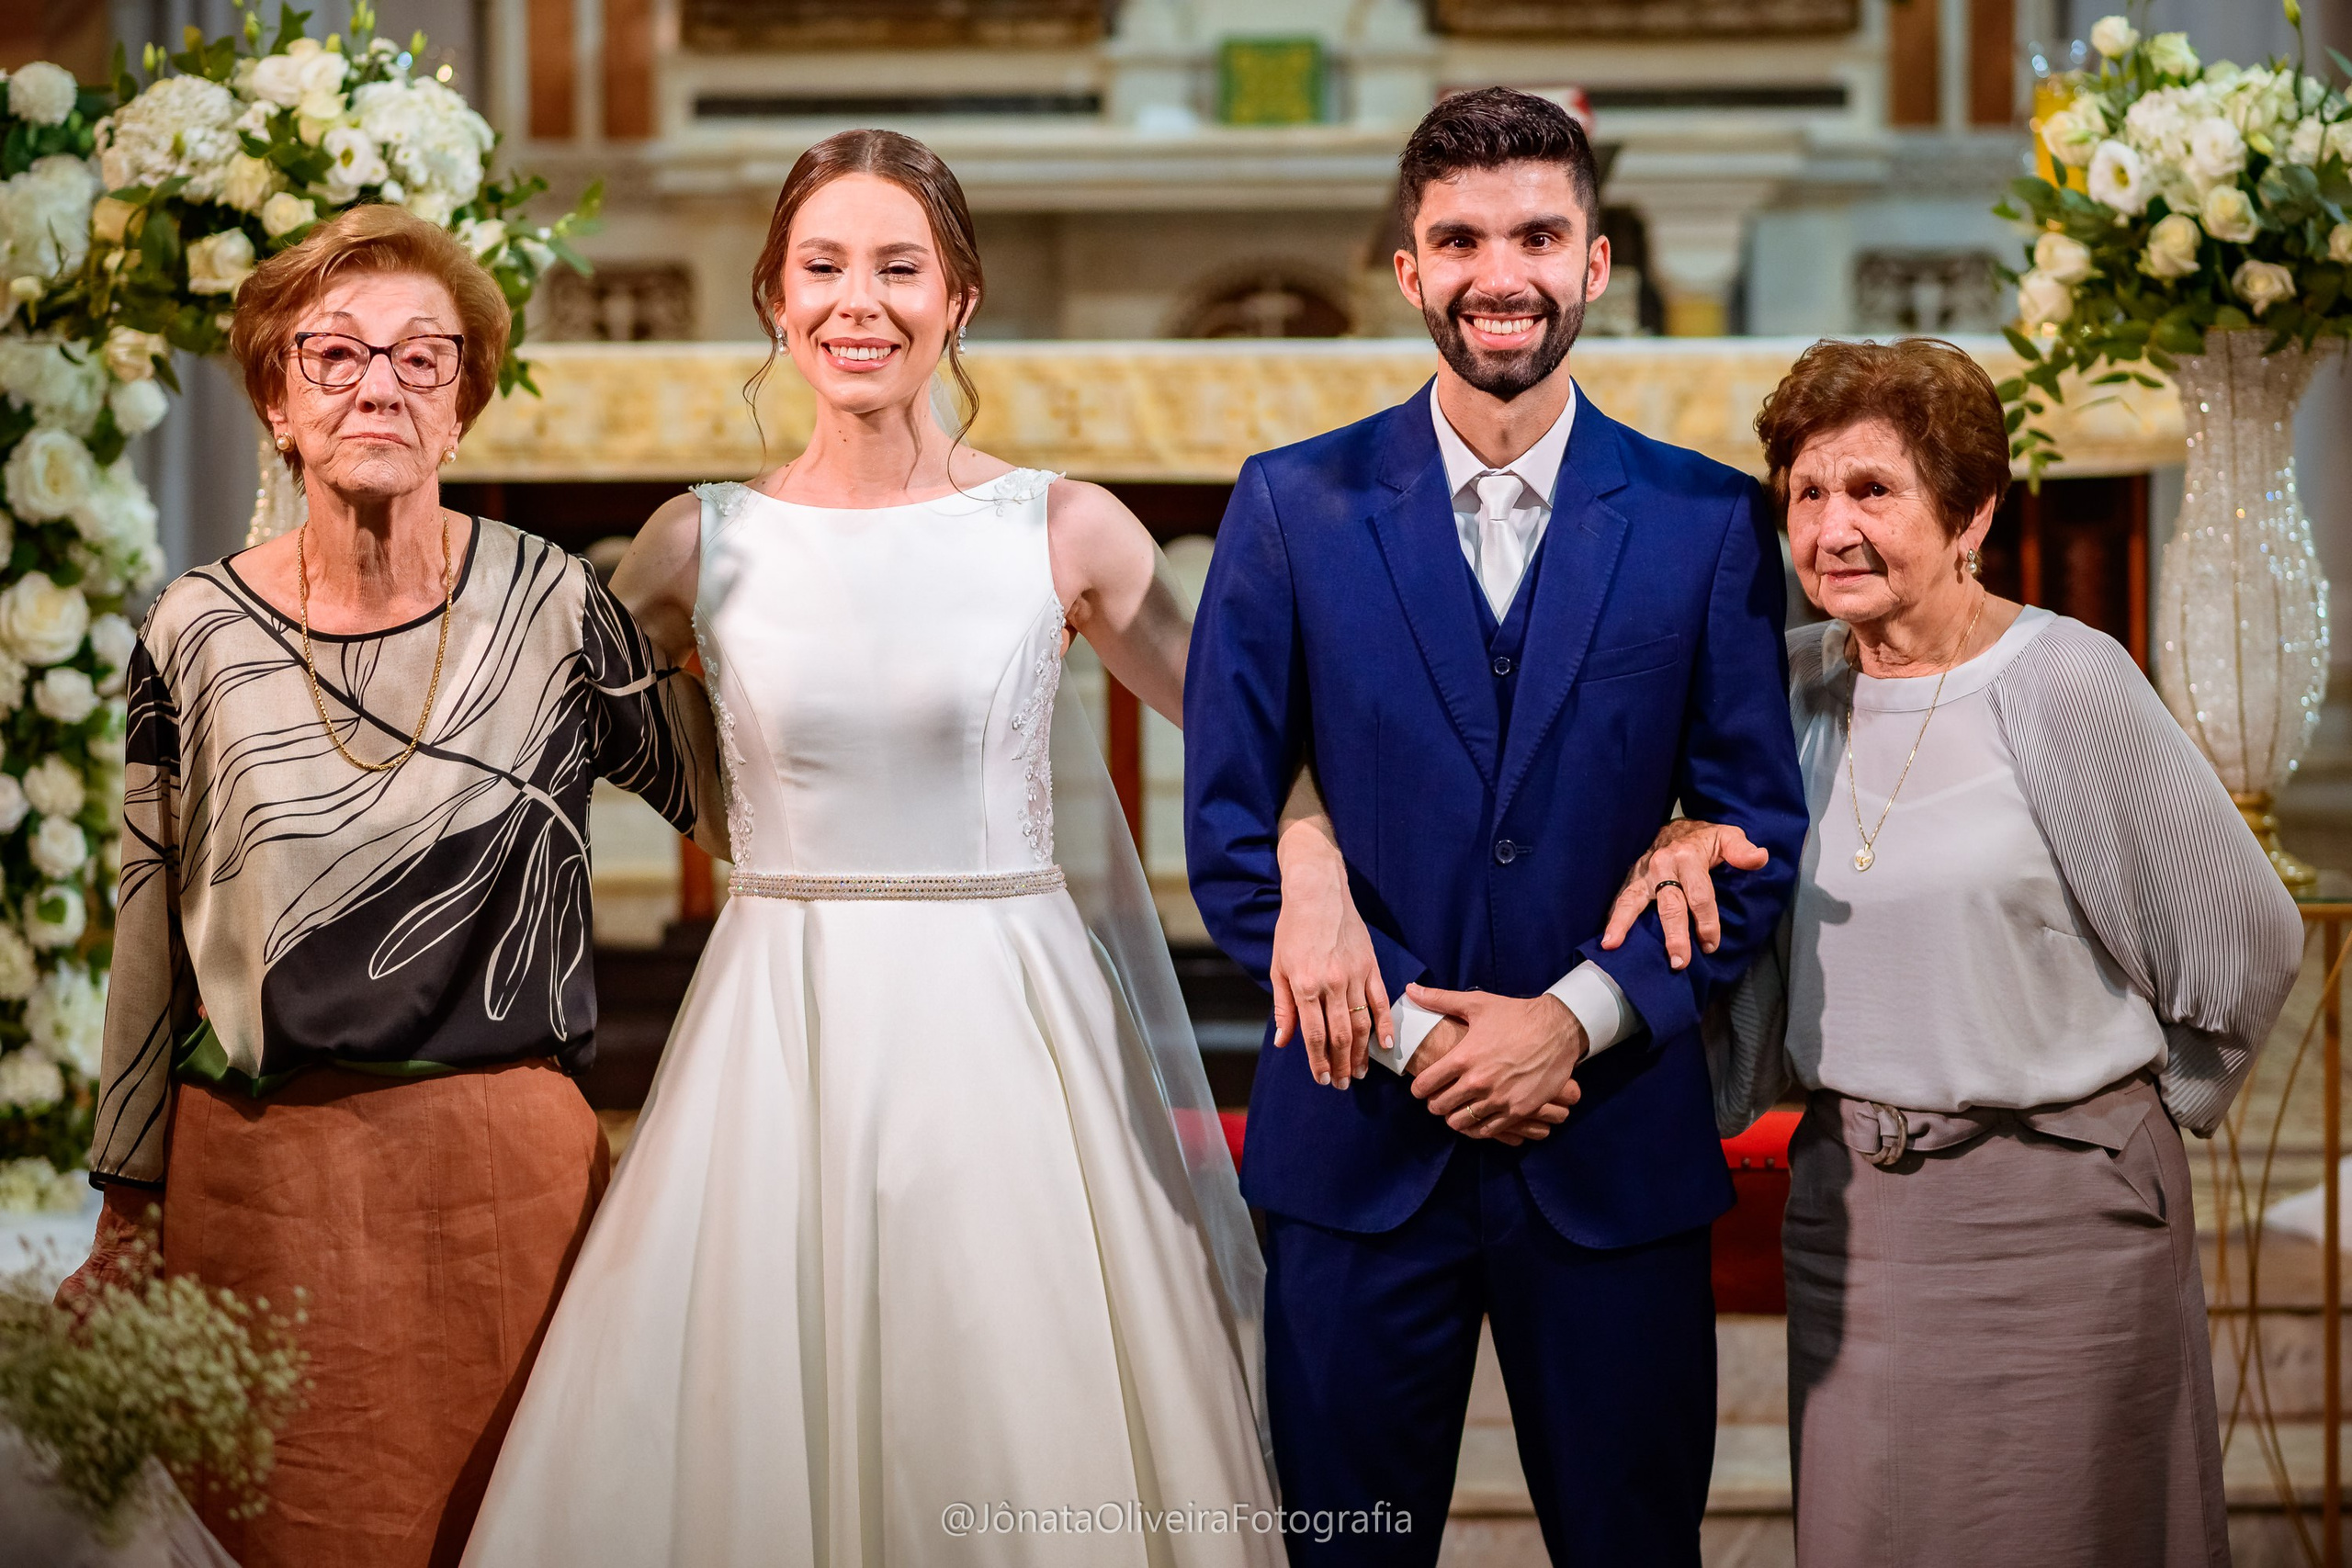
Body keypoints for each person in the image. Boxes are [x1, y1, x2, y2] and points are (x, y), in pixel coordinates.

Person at [462, 129, 1367, 1567]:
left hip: (999, 1012)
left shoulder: (1064, 530)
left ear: (958, 297)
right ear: (774, 297)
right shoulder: (695, 547)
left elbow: (1246, 734)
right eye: (823, 267)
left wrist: (1314, 863)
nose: (857, 303)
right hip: (777, 1012)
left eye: (900, 267)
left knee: (1007, 1370)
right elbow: (532, 755)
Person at [1185, 87, 1809, 1566]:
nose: (1499, 273)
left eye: (1538, 234)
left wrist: (1576, 1024)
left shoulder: (1704, 522)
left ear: (1596, 262)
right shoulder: (1291, 509)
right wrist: (1427, 1038)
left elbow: (1753, 833)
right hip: (1358, 1143)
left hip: (1610, 1148)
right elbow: (1226, 837)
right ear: (1409, 271)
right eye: (1459, 240)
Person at [58, 204, 723, 1567]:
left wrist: (795, 618)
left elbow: (737, 804)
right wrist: (127, 1207)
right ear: (277, 401)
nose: (380, 385)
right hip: (262, 1187)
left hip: (506, 1192)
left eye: (425, 358)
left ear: (466, 404)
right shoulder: (195, 632)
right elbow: (149, 935)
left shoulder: (551, 605)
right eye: (335, 355)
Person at [1607, 335, 2304, 1566]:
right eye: (1807, 495)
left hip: (2061, 1226)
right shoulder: (1783, 697)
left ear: (1972, 510)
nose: (1833, 529)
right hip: (1857, 1228)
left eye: (1873, 490)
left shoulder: (2068, 683)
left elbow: (2247, 938)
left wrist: (2131, 1107)